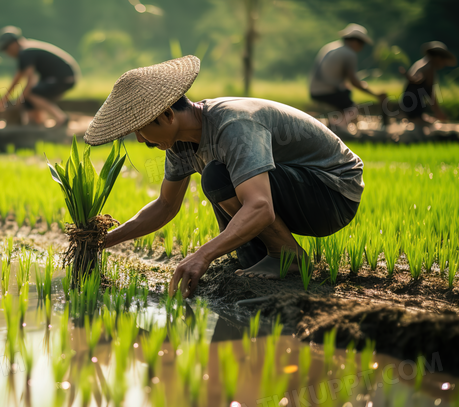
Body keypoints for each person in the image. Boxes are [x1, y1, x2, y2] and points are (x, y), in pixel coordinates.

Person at [84, 56, 364, 298]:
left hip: (333, 193)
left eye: (141, 129)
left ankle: (287, 256)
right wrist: (102, 241)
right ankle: (269, 255)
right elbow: (165, 206)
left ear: (167, 114)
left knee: (217, 176)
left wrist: (202, 255)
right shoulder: (179, 142)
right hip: (294, 190)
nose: (139, 139)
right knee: (242, 256)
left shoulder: (233, 124)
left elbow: (261, 207)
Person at [0, 26, 80, 127]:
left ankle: (61, 118)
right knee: (28, 98)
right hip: (58, 78)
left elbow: (30, 81)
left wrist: (17, 104)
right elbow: (16, 81)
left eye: (6, 49)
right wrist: (2, 102)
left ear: (13, 44)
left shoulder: (26, 53)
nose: (7, 53)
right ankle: (37, 122)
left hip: (64, 78)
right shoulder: (25, 52)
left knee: (31, 93)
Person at [309, 24, 387, 134]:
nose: (362, 47)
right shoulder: (349, 53)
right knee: (352, 110)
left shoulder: (330, 46)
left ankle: (338, 125)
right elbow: (354, 82)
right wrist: (376, 95)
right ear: (355, 41)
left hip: (314, 90)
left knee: (346, 96)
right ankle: (336, 127)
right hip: (326, 91)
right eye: (362, 43)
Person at [399, 41, 457, 124]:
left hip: (407, 103)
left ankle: (418, 117)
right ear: (437, 57)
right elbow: (431, 94)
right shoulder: (429, 68)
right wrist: (439, 113)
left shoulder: (419, 63)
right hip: (413, 104)